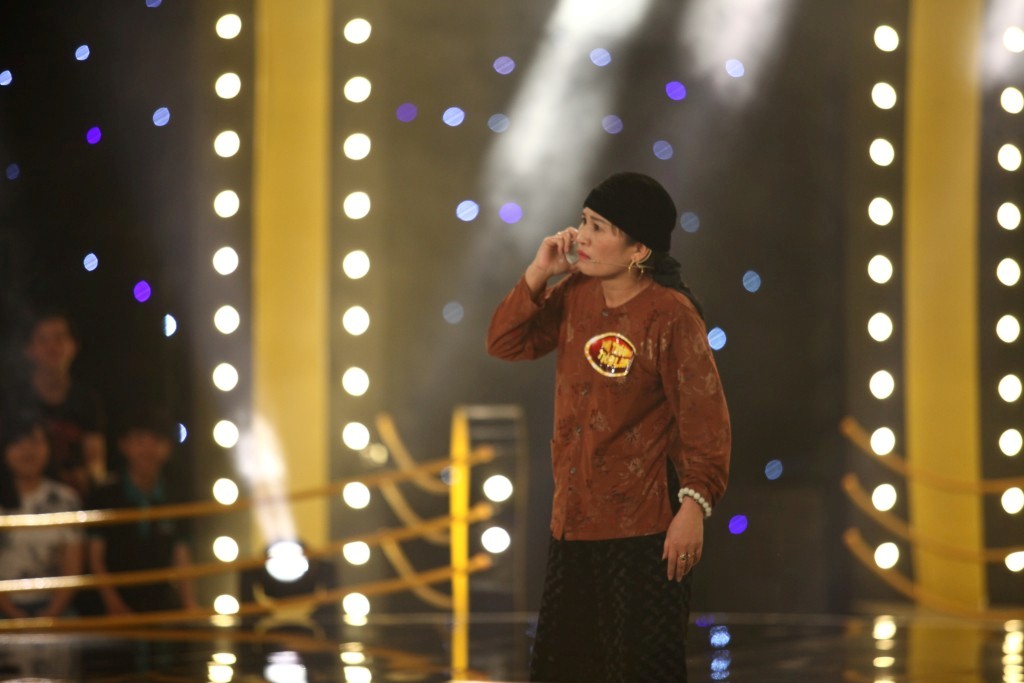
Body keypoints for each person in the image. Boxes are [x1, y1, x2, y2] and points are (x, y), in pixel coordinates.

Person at [486, 172, 731, 682]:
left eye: (599, 227)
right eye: (583, 221)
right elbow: (507, 343)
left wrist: (693, 508)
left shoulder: (671, 315)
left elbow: (705, 421)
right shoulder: (576, 293)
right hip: (573, 521)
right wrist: (540, 271)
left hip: (645, 529)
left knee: (639, 671)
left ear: (639, 249)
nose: (581, 236)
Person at [86, 408, 197, 614]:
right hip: (107, 610)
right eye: (139, 440)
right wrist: (115, 607)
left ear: (168, 448)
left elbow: (181, 556)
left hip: (161, 606)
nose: (148, 449)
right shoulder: (104, 495)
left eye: (157, 440)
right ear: (123, 445)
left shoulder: (177, 496)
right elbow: (95, 560)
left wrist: (190, 606)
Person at [4, 309, 107, 498]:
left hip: (75, 500)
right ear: (29, 350)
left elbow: (96, 463)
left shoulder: (87, 400)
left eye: (59, 338)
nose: (52, 347)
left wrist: (89, 477)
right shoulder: (12, 399)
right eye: (43, 340)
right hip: (20, 501)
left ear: (74, 346)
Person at [0, 413, 84, 619]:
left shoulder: (66, 499)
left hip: (56, 608)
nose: (28, 450)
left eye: (36, 442)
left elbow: (72, 566)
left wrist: (50, 614)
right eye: (18, 443)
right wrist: (13, 614)